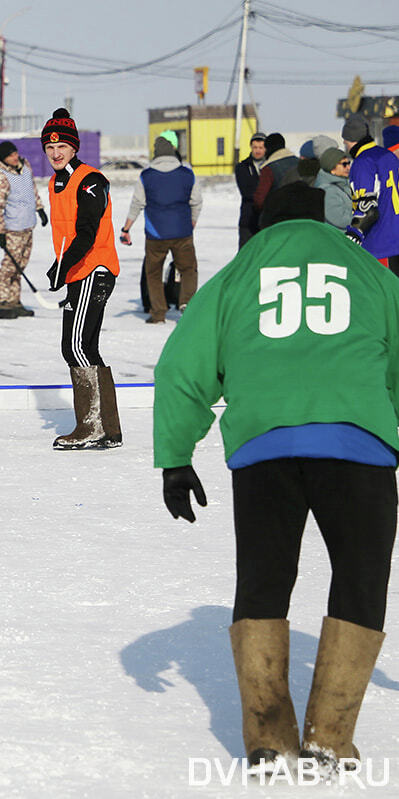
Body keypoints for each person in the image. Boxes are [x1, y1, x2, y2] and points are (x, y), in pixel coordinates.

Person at [154, 207, 397, 777]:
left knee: (265, 579)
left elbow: (181, 368)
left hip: (265, 445)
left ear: (267, 224)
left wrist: (175, 458)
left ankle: (269, 740)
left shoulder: (239, 273)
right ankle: (330, 740)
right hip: (358, 444)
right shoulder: (367, 271)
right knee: (361, 580)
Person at [41, 107, 122, 450]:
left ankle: (91, 427)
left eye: (62, 147)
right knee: (84, 346)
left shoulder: (91, 180)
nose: (56, 153)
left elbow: (87, 233)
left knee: (74, 346)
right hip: (77, 270)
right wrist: (60, 266)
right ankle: (107, 429)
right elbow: (65, 234)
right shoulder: (55, 182)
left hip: (95, 267)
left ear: (74, 148)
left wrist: (63, 266)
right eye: (49, 147)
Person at [120, 136, 203, 323]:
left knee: (154, 272)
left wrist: (126, 228)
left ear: (156, 153)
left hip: (155, 233)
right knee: (188, 269)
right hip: (182, 231)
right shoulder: (187, 173)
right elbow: (196, 201)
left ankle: (158, 313)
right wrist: (192, 222)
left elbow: (137, 204)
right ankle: (187, 304)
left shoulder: (146, 175)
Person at [0, 141, 48, 319]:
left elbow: (32, 190)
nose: (14, 158)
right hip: (13, 228)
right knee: (9, 266)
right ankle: (4, 302)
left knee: (20, 266)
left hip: (28, 225)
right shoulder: (1, 175)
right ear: (3, 158)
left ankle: (15, 301)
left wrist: (40, 209)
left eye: (15, 154)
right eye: (10, 156)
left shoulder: (25, 166)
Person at [341, 113, 399, 274]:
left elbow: (367, 209)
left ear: (349, 139)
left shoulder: (363, 162)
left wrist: (353, 235)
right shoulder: (387, 156)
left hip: (381, 243)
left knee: (384, 296)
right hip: (396, 235)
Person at [234, 132, 267, 249]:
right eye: (255, 147)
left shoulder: (271, 166)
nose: (257, 151)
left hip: (266, 219)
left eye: (261, 148)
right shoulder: (242, 167)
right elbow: (247, 190)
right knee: (245, 254)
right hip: (248, 219)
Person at [252, 133, 298, 213]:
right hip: (302, 215)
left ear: (269, 148)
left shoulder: (268, 168)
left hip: (278, 217)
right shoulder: (300, 163)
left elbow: (259, 200)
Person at [314, 148, 353, 230]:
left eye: (349, 163)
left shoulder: (343, 184)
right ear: (332, 167)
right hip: (340, 239)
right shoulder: (327, 191)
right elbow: (341, 220)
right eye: (344, 164)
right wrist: (364, 219)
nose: (348, 167)